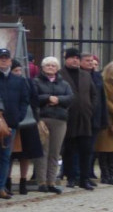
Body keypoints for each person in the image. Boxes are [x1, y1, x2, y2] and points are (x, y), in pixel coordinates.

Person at [0, 48, 29, 199]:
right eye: (1, 58)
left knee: (6, 157)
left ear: (10, 61)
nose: (4, 60)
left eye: (6, 58)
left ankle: (0, 187)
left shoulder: (18, 80)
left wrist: (19, 117)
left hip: (11, 124)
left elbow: (24, 100)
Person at [33, 57, 72, 194]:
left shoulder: (64, 84)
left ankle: (51, 181)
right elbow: (34, 98)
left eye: (53, 65)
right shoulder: (36, 82)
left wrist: (58, 100)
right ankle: (41, 181)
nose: (50, 67)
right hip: (43, 119)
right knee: (43, 151)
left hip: (60, 119)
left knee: (55, 152)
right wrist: (48, 98)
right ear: (42, 68)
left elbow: (70, 98)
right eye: (47, 65)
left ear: (57, 68)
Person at [59, 48, 97, 191]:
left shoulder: (85, 75)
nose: (75, 60)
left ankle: (84, 178)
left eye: (77, 57)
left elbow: (94, 94)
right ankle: (71, 177)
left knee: (86, 150)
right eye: (72, 57)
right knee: (69, 150)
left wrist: (90, 108)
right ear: (66, 59)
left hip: (85, 118)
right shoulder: (60, 75)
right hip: (68, 117)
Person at [8, 61, 42, 195]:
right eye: (15, 70)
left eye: (19, 70)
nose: (18, 73)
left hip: (27, 122)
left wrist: (36, 118)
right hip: (12, 121)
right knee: (10, 155)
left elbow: (35, 101)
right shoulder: (8, 83)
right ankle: (7, 181)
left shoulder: (27, 82)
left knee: (26, 154)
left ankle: (23, 181)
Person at [84, 53, 106, 180]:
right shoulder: (82, 75)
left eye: (94, 62)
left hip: (96, 116)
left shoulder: (98, 77)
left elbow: (102, 98)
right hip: (83, 115)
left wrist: (103, 118)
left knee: (91, 147)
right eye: (89, 61)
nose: (92, 64)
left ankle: (88, 172)